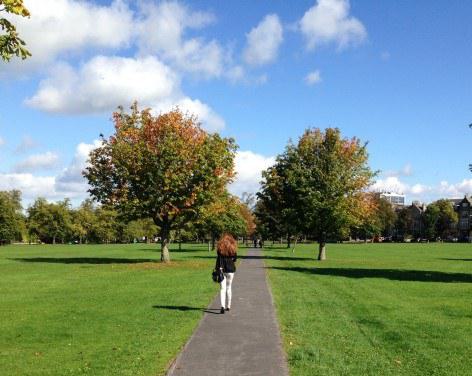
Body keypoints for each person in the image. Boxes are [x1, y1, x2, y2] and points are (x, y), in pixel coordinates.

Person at [215, 234, 238, 314]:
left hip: (222, 270)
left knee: (222, 288)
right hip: (230, 270)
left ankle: (222, 306)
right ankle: (228, 306)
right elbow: (235, 259)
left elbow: (219, 258)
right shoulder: (233, 248)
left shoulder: (220, 249)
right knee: (229, 287)